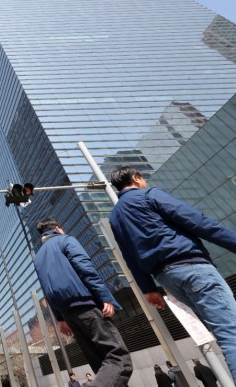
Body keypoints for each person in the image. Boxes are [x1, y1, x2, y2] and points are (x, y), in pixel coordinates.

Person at [109, 166, 236, 380]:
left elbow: (129, 256)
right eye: (143, 178)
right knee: (231, 333)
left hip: (166, 278)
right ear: (135, 178)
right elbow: (198, 222)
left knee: (224, 331)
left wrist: (148, 289)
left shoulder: (115, 216)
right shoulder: (150, 195)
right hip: (192, 267)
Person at [35, 218, 132, 387]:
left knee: (100, 363)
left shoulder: (39, 256)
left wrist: (60, 318)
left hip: (68, 314)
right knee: (118, 358)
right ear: (58, 228)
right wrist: (104, 296)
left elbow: (46, 289)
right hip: (85, 305)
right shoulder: (66, 240)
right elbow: (86, 269)